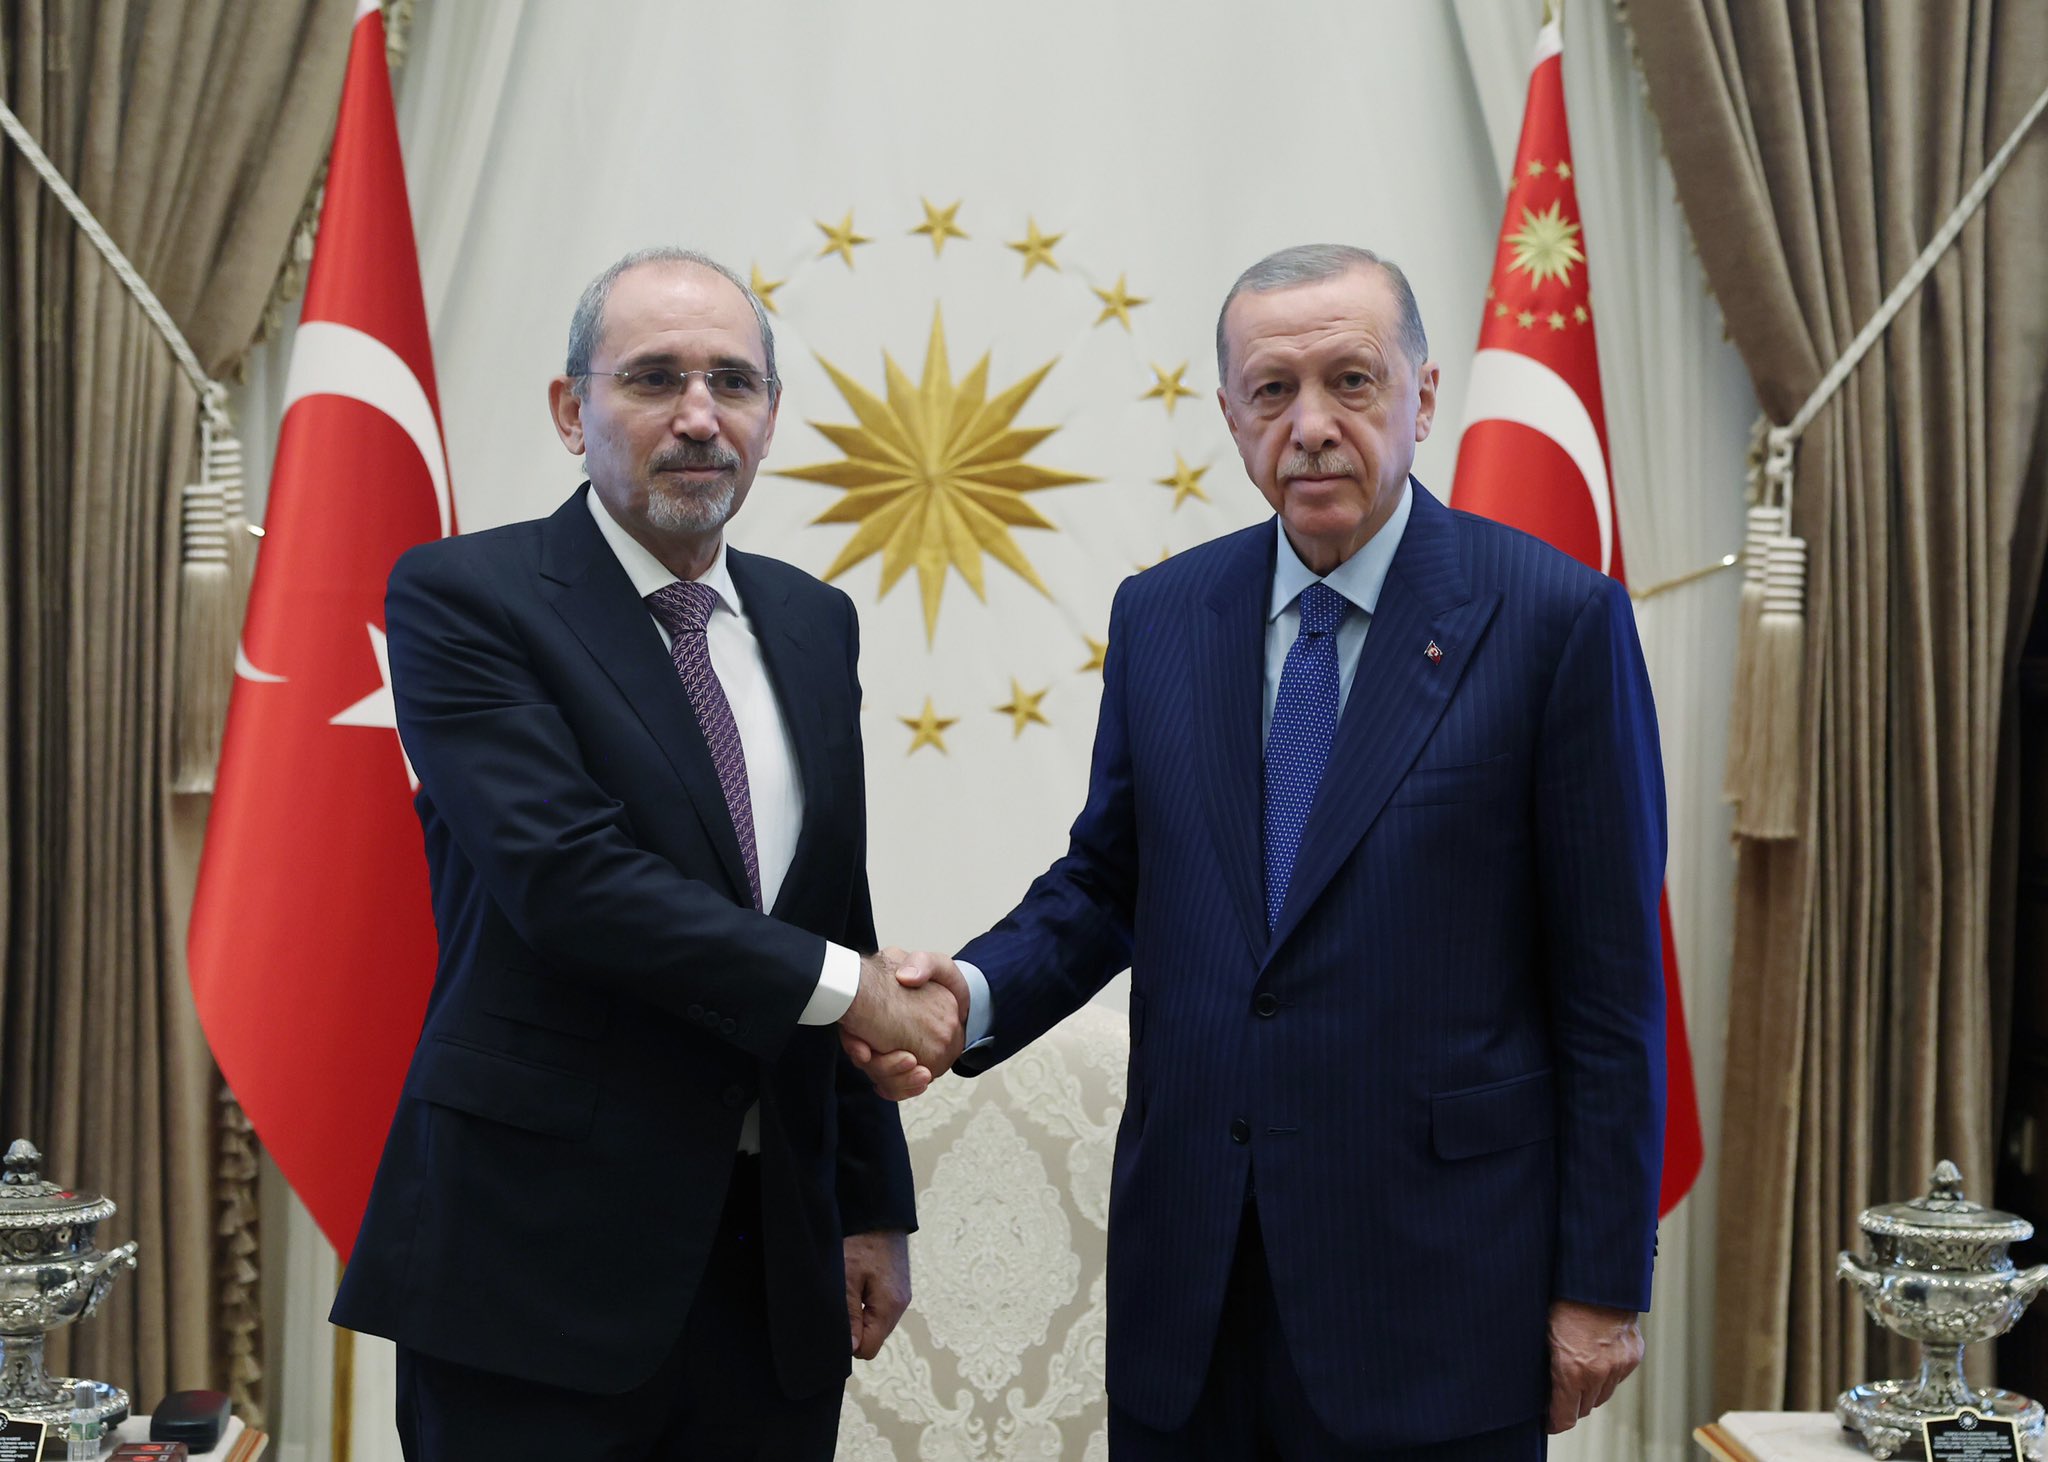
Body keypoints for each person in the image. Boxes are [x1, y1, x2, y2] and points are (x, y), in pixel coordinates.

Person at [853, 244, 1666, 1459]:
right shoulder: (1164, 615)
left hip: (1437, 1298)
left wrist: (1598, 1285)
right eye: (1272, 390)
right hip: (1194, 1297)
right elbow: (1108, 882)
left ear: (1422, 397)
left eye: (1351, 380)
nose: (1312, 425)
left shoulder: (1552, 619)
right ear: (1230, 414)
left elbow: (1609, 988)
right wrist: (966, 996)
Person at [333, 247, 964, 1462]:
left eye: (733, 381)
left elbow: (831, 906)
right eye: (653, 377)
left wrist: (868, 1201)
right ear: (572, 411)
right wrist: (856, 990)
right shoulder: (466, 596)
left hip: (771, 1274)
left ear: (769, 413)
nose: (698, 415)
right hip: (535, 1270)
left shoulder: (812, 620)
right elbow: (570, 881)